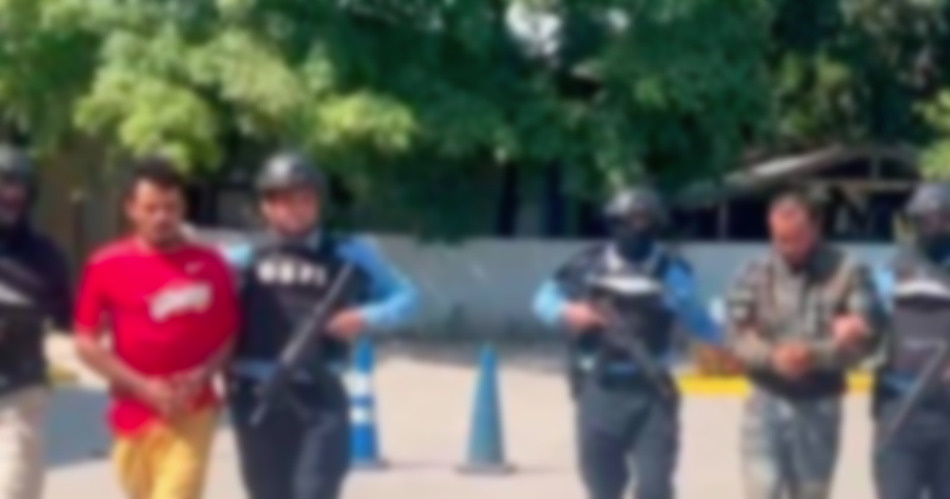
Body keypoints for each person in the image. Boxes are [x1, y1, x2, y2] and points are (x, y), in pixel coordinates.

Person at [219, 151, 418, 499]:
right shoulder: (241, 256)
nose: (297, 209)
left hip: (320, 393)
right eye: (285, 200)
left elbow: (406, 297)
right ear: (266, 206)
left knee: (315, 490)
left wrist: (363, 317)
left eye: (306, 199)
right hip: (256, 393)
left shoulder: (348, 253)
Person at [532, 186, 721, 499]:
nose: (638, 228)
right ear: (615, 223)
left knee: (654, 488)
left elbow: (699, 321)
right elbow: (542, 300)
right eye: (631, 220)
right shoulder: (587, 265)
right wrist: (570, 311)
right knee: (601, 485)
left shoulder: (673, 272)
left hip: (652, 391)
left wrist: (737, 337)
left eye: (646, 221)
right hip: (599, 387)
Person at [73, 158, 240, 499]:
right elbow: (85, 340)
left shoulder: (211, 264)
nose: (162, 217)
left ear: (183, 208)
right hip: (132, 410)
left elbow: (230, 334)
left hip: (193, 408)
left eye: (171, 207)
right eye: (151, 208)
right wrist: (142, 386)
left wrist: (203, 375)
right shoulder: (106, 264)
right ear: (131, 209)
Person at [724, 189, 885, 499]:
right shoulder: (754, 273)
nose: (786, 247)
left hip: (819, 401)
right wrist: (773, 357)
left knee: (811, 492)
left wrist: (816, 354)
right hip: (766, 397)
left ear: (816, 227)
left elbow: (870, 337)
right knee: (761, 490)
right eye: (779, 238)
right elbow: (735, 335)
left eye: (796, 238)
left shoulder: (849, 272)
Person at [0, 145, 72, 499]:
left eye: (17, 185)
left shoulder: (45, 256)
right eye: (2, 184)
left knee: (13, 488)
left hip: (19, 392)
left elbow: (69, 319)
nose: (9, 194)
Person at [871, 182, 950, 499]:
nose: (930, 226)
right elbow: (868, 326)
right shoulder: (890, 271)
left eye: (937, 218)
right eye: (922, 219)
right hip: (900, 409)